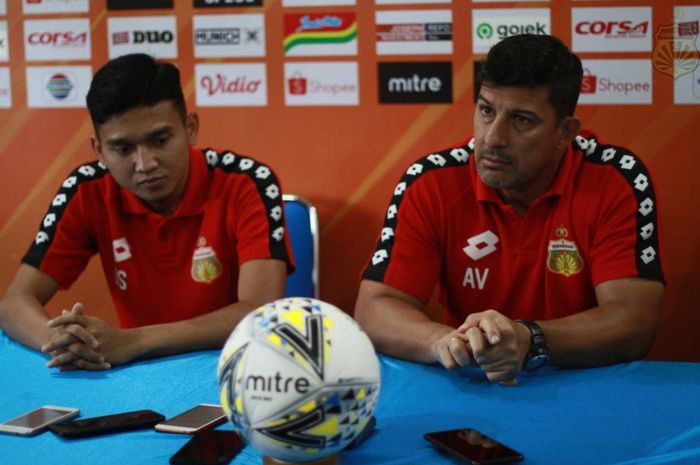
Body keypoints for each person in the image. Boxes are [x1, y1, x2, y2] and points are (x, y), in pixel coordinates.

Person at [354, 34, 664, 384]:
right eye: (486, 110)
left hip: (582, 385)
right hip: (472, 381)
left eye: (521, 120)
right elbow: (375, 308)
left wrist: (529, 339)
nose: (492, 137)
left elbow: (633, 322)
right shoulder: (431, 182)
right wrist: (444, 342)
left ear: (565, 132)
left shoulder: (615, 178)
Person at [0, 54, 293, 371]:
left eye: (159, 140)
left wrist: (135, 342)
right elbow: (15, 303)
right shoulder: (87, 189)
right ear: (99, 150)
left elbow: (260, 311)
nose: (145, 164)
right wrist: (66, 341)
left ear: (190, 128)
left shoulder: (247, 181)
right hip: (137, 373)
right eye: (123, 149)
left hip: (234, 367)